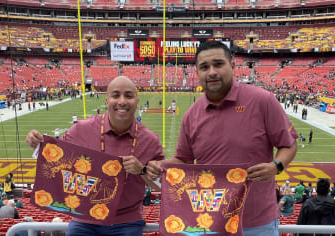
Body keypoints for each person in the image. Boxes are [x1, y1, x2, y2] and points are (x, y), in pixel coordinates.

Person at [147, 40, 298, 235]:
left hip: (256, 222)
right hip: (213, 220)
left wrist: (275, 166)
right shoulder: (191, 115)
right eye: (204, 67)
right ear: (198, 73)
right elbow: (184, 160)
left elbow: (289, 144)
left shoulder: (262, 100)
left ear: (232, 66)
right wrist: (162, 166)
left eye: (218, 64)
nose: (211, 72)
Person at [26, 76, 165, 236]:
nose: (122, 101)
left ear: (137, 101)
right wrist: (38, 144)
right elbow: (55, 161)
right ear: (107, 101)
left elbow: (162, 186)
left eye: (128, 95)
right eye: (115, 95)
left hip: (126, 221)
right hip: (85, 219)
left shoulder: (150, 140)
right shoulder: (81, 130)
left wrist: (142, 170)